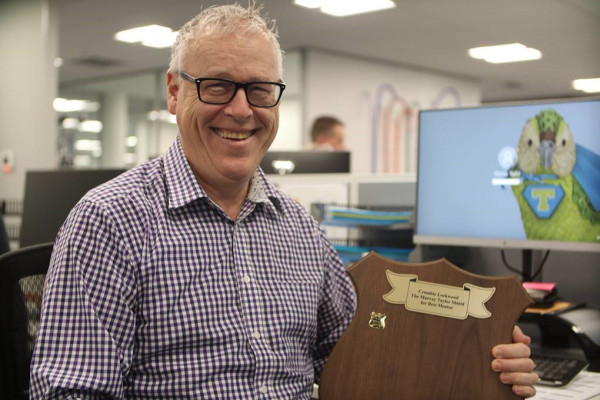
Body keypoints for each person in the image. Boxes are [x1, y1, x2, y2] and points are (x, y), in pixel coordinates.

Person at [30, 3, 538, 399]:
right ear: (173, 92)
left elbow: (358, 352)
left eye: (260, 90)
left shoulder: (298, 227)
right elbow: (71, 390)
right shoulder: (109, 221)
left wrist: (480, 359)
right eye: (217, 86)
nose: (240, 110)